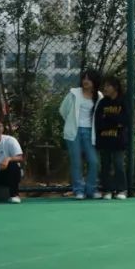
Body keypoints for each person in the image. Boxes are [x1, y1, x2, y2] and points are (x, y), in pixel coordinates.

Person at [59, 68, 102, 200]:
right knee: (76, 161)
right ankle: (78, 190)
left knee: (94, 161)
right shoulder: (73, 93)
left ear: (95, 81)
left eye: (89, 79)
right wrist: (71, 122)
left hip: (90, 132)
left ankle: (91, 189)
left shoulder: (99, 96)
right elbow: (63, 110)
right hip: (74, 131)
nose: (85, 81)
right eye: (84, 78)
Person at [94, 75, 128, 200]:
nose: (105, 88)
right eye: (104, 86)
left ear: (115, 87)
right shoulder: (103, 103)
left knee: (118, 164)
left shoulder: (123, 102)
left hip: (119, 140)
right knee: (105, 166)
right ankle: (107, 190)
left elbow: (124, 120)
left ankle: (121, 190)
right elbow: (99, 122)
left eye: (108, 86)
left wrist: (108, 118)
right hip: (104, 139)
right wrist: (114, 122)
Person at [0, 115, 23, 203]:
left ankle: (14, 195)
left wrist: (8, 159)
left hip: (7, 174)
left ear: (3, 128)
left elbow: (20, 157)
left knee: (13, 165)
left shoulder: (10, 140)